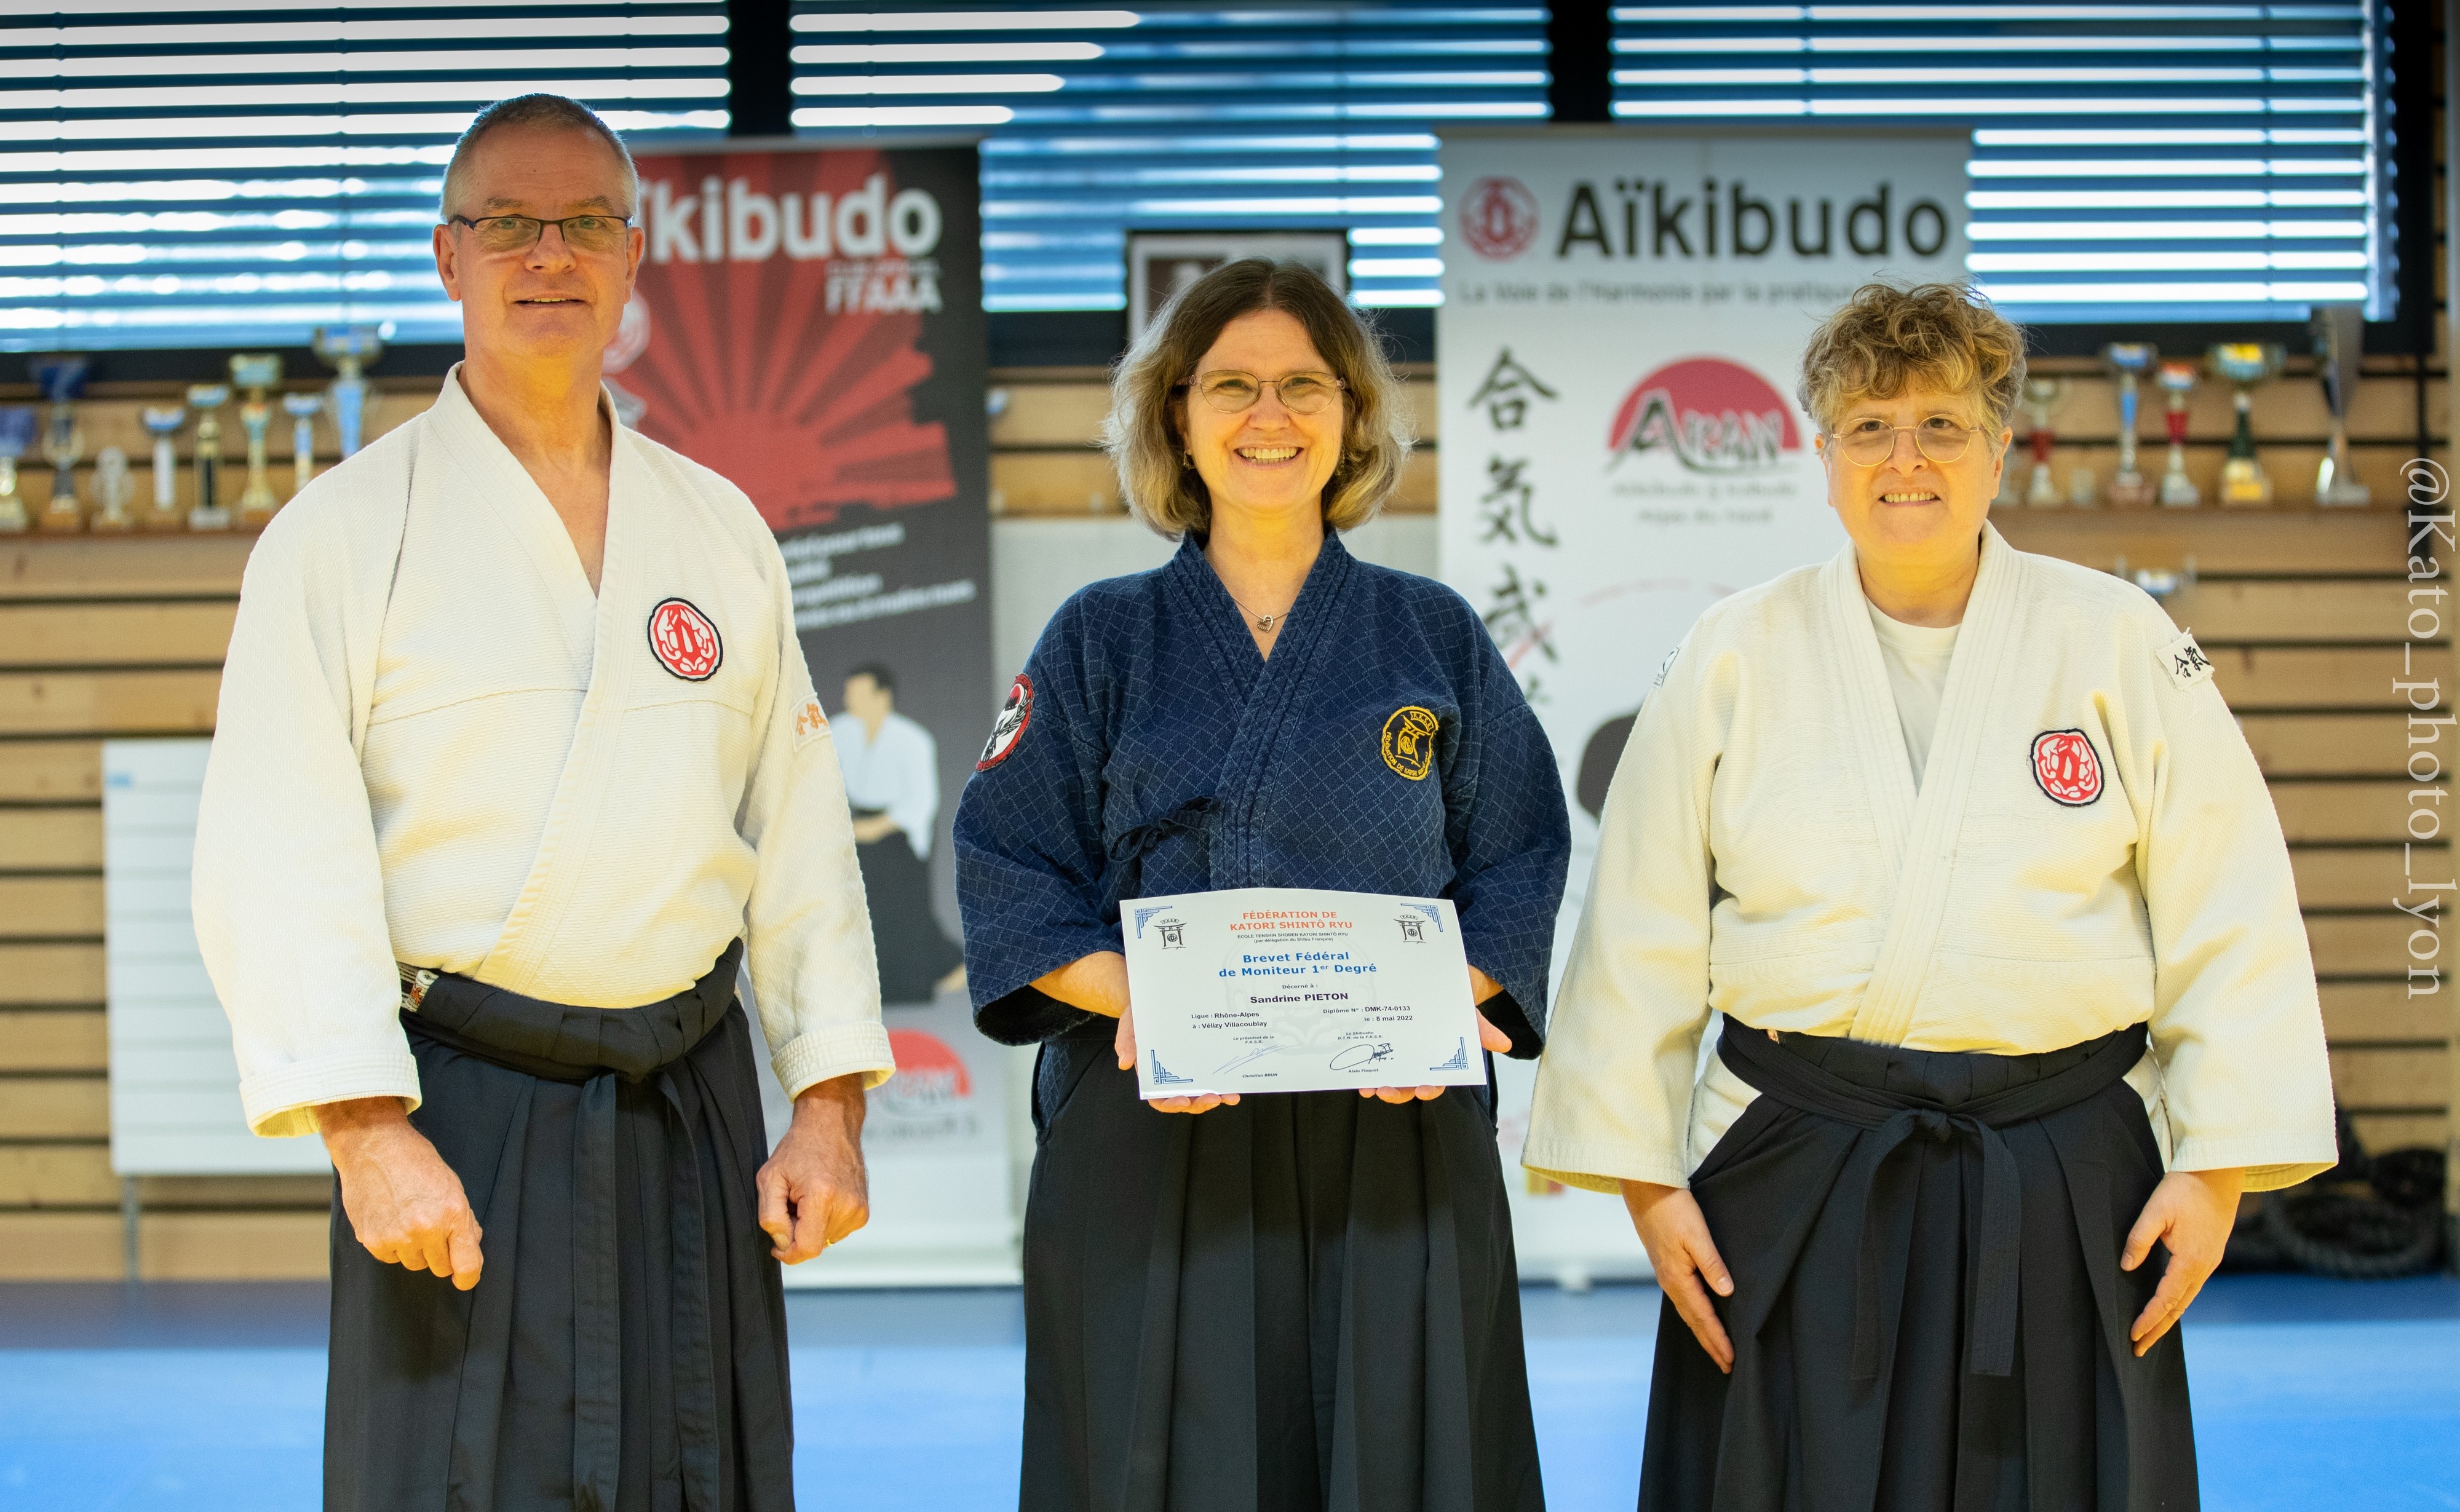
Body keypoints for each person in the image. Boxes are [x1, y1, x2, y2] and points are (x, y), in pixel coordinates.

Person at [1524, 282, 2337, 1511]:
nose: (1904, 459)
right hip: (1796, 1153)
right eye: (1868, 427)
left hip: (2062, 1162)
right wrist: (1644, 1182)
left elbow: (2227, 903)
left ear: (1998, 442)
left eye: (1940, 425)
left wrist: (2215, 1169)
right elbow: (1639, 921)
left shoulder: (2116, 639)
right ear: (1821, 452)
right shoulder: (1730, 652)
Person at [192, 92, 894, 1512]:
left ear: (636, 254)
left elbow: (800, 832)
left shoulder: (716, 524)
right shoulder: (337, 536)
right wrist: (363, 1133)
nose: (547, 253)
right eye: (509, 222)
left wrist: (826, 1104)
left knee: (698, 1475)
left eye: (584, 222)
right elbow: (277, 854)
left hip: (686, 1100)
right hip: (459, 1111)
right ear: (447, 256)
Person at [954, 258, 1570, 1511]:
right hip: (1152, 1109)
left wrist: (1445, 998)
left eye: (1302, 384)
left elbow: (1518, 851)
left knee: (1408, 1452)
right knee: (1150, 1454)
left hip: (1393, 1124)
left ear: (1351, 413)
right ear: (1176, 413)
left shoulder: (1429, 633)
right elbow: (1008, 859)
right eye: (1230, 384)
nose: (1268, 415)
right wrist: (1131, 992)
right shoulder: (1099, 635)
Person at [836, 662, 964, 1002]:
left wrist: (875, 828)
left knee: (901, 905)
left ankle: (929, 976)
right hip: (852, 830)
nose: (851, 700)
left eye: (860, 693)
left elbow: (921, 802)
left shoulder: (912, 739)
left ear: (882, 697)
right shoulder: (838, 732)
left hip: (898, 835)